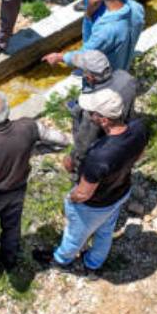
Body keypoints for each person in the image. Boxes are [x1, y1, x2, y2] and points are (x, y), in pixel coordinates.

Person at [35, 88, 149, 273]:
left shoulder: (98, 155)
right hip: (120, 192)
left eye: (91, 113)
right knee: (105, 230)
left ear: (103, 120)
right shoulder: (138, 128)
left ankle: (61, 260)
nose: (87, 115)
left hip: (95, 205)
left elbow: (84, 193)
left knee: (75, 236)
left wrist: (71, 199)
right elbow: (139, 154)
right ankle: (94, 263)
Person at [0, 90, 68, 283]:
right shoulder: (29, 126)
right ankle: (9, 258)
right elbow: (62, 141)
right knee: (12, 226)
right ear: (8, 109)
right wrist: (34, 150)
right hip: (18, 188)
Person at [42, 0, 144, 72]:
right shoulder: (137, 8)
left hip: (111, 73)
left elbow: (86, 56)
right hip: (125, 59)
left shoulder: (105, 30)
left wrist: (60, 57)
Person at [64, 50, 137, 174]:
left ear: (90, 77)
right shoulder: (125, 77)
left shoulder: (94, 109)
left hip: (103, 138)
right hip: (125, 122)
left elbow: (84, 142)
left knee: (79, 114)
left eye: (83, 70)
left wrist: (72, 160)